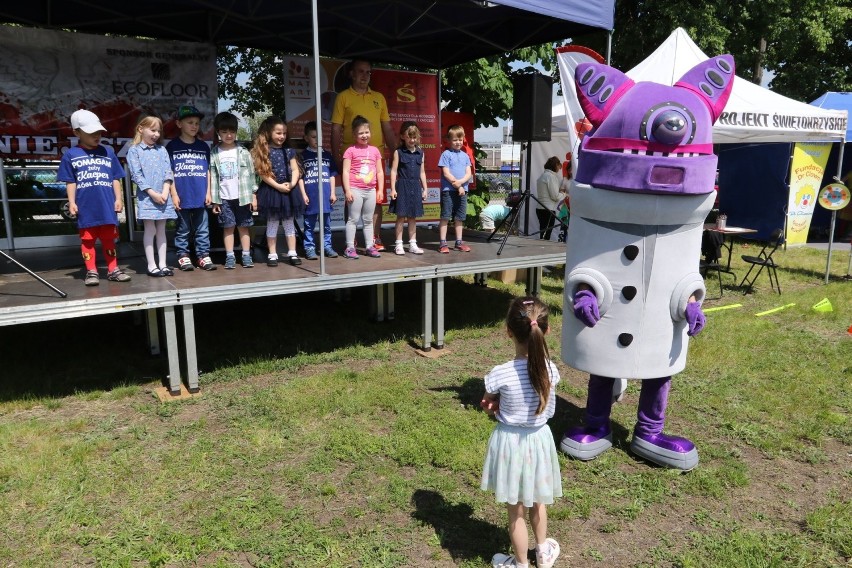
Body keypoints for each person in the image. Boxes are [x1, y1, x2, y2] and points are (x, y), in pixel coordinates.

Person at [480, 296, 562, 568]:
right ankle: (543, 553)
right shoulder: (551, 371)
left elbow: (488, 402)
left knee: (515, 510)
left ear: (508, 331)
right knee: (538, 501)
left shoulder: (499, 374)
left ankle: (520, 564)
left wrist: (492, 406)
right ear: (546, 330)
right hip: (539, 441)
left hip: (510, 444)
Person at [58, 109, 132, 286]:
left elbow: (115, 177)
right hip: (86, 207)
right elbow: (70, 181)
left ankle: (113, 270)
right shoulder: (71, 155)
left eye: (98, 132)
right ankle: (91, 271)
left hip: (106, 207)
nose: (97, 136)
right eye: (91, 133)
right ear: (77, 133)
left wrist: (119, 198)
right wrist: (72, 202)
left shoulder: (108, 152)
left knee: (109, 240)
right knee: (88, 240)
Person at [330, 59, 396, 252]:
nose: (364, 75)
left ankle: (374, 238)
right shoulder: (343, 97)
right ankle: (351, 241)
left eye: (368, 72)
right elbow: (335, 129)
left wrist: (395, 152)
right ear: (351, 73)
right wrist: (336, 155)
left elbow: (387, 127)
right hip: (352, 158)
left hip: (375, 156)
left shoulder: (379, 97)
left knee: (376, 198)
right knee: (351, 198)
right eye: (360, 71)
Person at [166, 104, 216, 271]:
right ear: (179, 124)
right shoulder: (172, 147)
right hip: (182, 195)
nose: (194, 126)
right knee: (183, 228)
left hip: (201, 195)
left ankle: (203, 255)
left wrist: (208, 192)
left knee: (203, 228)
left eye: (196, 123)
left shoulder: (203, 147)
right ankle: (183, 255)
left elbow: (208, 171)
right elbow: (169, 173)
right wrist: (173, 194)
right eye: (190, 122)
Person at [127, 115, 177, 277]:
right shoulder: (134, 151)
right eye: (152, 130)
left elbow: (168, 172)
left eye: (158, 131)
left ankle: (163, 264)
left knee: (162, 229)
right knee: (150, 229)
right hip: (147, 197)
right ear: (141, 129)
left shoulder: (162, 150)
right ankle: (151, 265)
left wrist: (164, 190)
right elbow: (136, 175)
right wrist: (152, 193)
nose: (156, 134)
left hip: (162, 195)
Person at [251, 116, 304, 267]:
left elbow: (295, 169)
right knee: (272, 222)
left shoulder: (289, 151)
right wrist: (278, 186)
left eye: (284, 133)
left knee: (288, 222)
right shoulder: (265, 150)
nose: (282, 136)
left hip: (288, 189)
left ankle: (292, 252)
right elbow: (263, 173)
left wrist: (292, 183)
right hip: (272, 190)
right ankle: (272, 254)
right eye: (278, 133)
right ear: (269, 133)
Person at [210, 111, 257, 269]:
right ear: (218, 133)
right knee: (228, 227)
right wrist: (215, 200)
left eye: (232, 131)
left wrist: (253, 195)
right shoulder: (215, 153)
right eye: (224, 132)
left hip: (243, 196)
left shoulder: (243, 152)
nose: (228, 135)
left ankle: (246, 255)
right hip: (224, 198)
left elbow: (252, 175)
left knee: (243, 226)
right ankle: (229, 256)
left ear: (236, 132)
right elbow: (213, 177)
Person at [342, 115, 384, 259]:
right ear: (354, 135)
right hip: (355, 189)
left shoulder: (375, 151)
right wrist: (347, 190)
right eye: (361, 133)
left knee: (368, 220)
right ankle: (350, 248)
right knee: (353, 219)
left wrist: (379, 190)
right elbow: (345, 171)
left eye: (366, 132)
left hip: (370, 190)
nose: (364, 135)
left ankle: (369, 246)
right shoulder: (350, 150)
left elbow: (379, 172)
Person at [298, 121, 339, 259]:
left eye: (319, 137)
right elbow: (300, 178)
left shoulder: (327, 155)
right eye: (314, 137)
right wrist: (303, 194)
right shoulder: (303, 156)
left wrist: (333, 192)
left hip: (325, 196)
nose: (317, 140)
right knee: (309, 225)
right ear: (306, 138)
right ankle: (309, 247)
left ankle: (327, 246)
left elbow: (332, 175)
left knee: (326, 225)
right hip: (310, 196)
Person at [389, 121, 428, 255]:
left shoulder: (420, 153)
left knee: (412, 217)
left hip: (415, 186)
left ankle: (412, 244)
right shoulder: (398, 152)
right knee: (401, 216)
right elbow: (393, 171)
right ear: (402, 137)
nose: (412, 140)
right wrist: (393, 189)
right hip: (402, 186)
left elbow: (422, 172)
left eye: (414, 137)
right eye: (409, 137)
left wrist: (425, 189)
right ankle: (399, 244)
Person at [437, 124, 473, 253]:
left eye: (460, 139)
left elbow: (469, 173)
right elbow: (446, 173)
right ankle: (442, 243)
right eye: (455, 140)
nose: (458, 142)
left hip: (462, 190)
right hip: (449, 191)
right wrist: (457, 185)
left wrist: (461, 183)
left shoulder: (465, 155)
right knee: (445, 216)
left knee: (459, 218)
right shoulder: (446, 154)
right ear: (449, 140)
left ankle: (459, 242)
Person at [535, 156, 564, 241]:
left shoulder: (543, 175)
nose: (559, 169)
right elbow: (555, 197)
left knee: (543, 233)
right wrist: (563, 194)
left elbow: (548, 192)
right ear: (555, 165)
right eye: (559, 166)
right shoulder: (551, 177)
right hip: (548, 210)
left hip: (540, 208)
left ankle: (541, 250)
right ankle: (542, 251)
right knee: (545, 236)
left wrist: (559, 191)